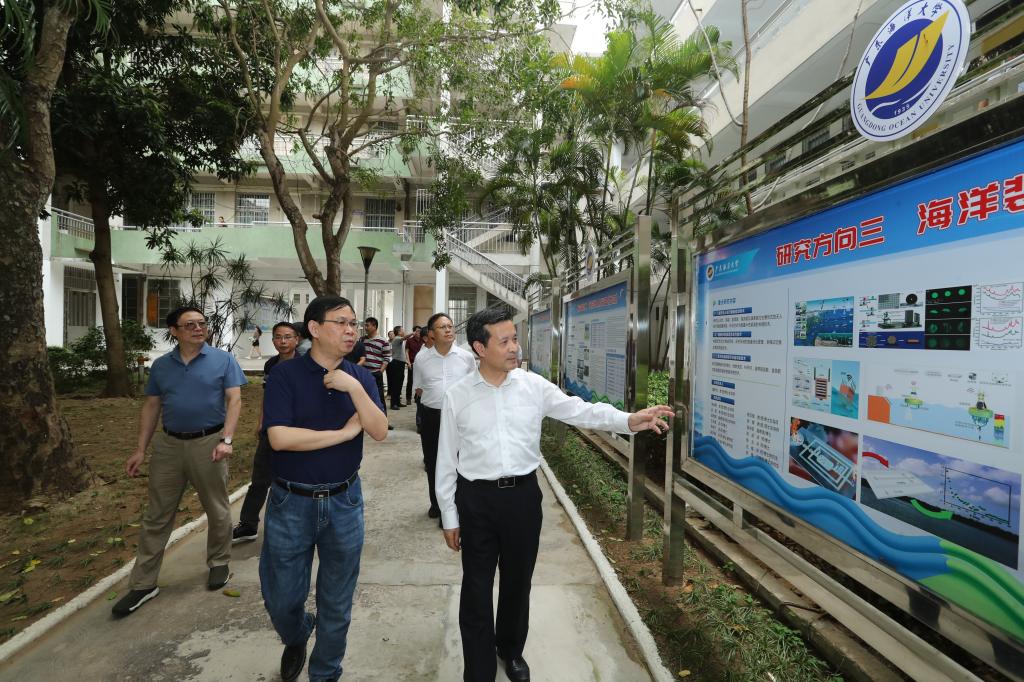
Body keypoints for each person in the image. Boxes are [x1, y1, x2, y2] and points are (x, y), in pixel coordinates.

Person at [436, 306, 673, 682]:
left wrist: (628, 421)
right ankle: (478, 669)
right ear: (480, 348)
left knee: (517, 582)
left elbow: (581, 411)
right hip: (476, 501)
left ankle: (510, 650)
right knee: (476, 587)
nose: (514, 347)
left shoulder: (533, 387)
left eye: (515, 339)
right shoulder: (458, 396)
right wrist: (449, 515)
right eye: (504, 341)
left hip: (522, 499)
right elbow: (446, 460)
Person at [260, 295, 388, 682]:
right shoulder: (285, 375)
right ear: (315, 328)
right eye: (341, 323)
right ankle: (297, 633)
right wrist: (343, 434)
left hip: (344, 501)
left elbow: (379, 430)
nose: (351, 330)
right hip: (290, 501)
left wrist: (355, 389)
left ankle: (325, 672)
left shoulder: (361, 378)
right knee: (282, 597)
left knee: (337, 598)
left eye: (354, 323)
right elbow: (280, 438)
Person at [112, 306, 247, 617]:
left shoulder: (223, 360)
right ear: (174, 331)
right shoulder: (161, 366)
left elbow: (235, 399)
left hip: (209, 443)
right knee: (157, 515)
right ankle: (143, 583)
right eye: (190, 325)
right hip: (169, 446)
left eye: (202, 323)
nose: (198, 328)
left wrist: (227, 440)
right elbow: (151, 406)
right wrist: (140, 449)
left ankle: (219, 562)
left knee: (217, 508)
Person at [232, 322, 300, 544]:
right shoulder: (271, 364)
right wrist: (261, 421)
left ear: (297, 339)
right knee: (260, 479)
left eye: (288, 337)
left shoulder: (306, 364)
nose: (283, 341)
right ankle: (248, 524)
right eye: (278, 337)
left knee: (295, 480)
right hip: (271, 428)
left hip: (298, 431)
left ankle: (293, 525)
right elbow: (267, 395)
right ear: (273, 341)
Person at [413, 313, 476, 524]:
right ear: (431, 333)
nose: (448, 330)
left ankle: (456, 507)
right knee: (433, 462)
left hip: (461, 417)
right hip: (432, 416)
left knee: (459, 462)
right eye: (442, 327)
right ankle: (437, 504)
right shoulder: (422, 358)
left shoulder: (466, 357)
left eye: (450, 326)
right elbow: (418, 388)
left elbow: (474, 387)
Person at [362, 317, 392, 430]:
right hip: (363, 374)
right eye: (365, 325)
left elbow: (387, 358)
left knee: (379, 398)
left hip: (376, 374)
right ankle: (367, 422)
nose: (365, 328)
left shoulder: (383, 341)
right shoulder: (362, 340)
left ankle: (384, 422)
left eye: (367, 325)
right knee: (364, 398)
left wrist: (380, 371)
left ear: (374, 326)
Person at [386, 325, 407, 410]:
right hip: (396, 363)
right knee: (395, 384)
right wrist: (413, 333)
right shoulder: (397, 338)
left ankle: (397, 402)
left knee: (399, 383)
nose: (404, 331)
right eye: (402, 330)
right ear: (398, 332)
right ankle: (393, 404)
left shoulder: (399, 339)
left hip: (401, 363)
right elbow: (405, 337)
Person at [404, 325, 423, 406]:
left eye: (420, 331)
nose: (419, 333)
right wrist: (408, 362)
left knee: (419, 381)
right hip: (412, 363)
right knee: (410, 381)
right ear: (414, 332)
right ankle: (408, 398)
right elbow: (406, 351)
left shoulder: (423, 340)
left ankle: (417, 396)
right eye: (417, 331)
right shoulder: (409, 340)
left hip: (421, 364)